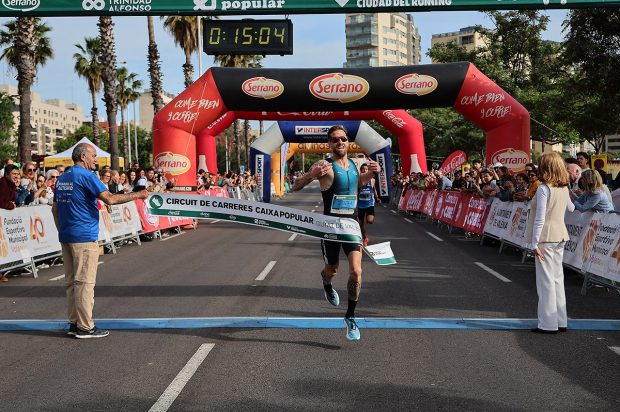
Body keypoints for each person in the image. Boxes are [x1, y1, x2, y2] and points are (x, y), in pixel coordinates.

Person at [292, 125, 381, 341]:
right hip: (330, 227)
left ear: (348, 141)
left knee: (356, 271)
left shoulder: (356, 164)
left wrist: (373, 172)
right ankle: (326, 283)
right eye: (334, 139)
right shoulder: (323, 165)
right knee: (332, 269)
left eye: (342, 138)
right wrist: (311, 175)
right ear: (329, 144)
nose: (339, 142)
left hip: (351, 225)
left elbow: (358, 182)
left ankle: (350, 317)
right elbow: (295, 186)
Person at [52, 143, 149, 339]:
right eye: (93, 155)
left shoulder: (63, 177)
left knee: (71, 283)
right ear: (83, 156)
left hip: (67, 235)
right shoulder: (87, 176)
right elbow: (110, 198)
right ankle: (85, 327)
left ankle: (74, 323)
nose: (96, 159)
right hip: (84, 236)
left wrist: (61, 230)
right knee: (85, 283)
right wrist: (139, 194)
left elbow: (55, 209)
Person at [525, 152, 574, 334]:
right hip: (560, 235)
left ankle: (547, 324)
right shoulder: (563, 188)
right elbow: (572, 208)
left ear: (545, 167)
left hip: (545, 237)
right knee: (557, 279)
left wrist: (534, 244)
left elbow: (540, 219)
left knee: (545, 282)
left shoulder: (544, 188)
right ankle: (561, 321)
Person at [357, 163, 381, 246]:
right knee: (361, 225)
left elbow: (374, 189)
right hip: (360, 204)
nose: (365, 170)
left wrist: (377, 198)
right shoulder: (358, 180)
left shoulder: (372, 180)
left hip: (370, 203)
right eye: (363, 169)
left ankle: (367, 218)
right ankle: (364, 238)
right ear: (361, 171)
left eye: (366, 169)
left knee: (370, 220)